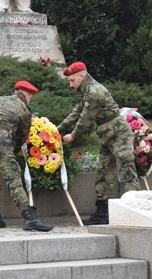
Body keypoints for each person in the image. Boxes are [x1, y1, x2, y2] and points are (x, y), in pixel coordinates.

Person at [57, 62, 139, 225]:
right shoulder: (85, 90)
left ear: (82, 76)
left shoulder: (94, 92)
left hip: (118, 134)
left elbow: (85, 119)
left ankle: (135, 212)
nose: (71, 85)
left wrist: (72, 136)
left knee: (126, 171)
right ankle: (102, 214)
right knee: (103, 173)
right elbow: (76, 112)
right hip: (107, 135)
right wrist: (57, 130)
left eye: (72, 80)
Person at [0, 81, 54, 232]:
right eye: (31, 96)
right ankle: (30, 218)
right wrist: (15, 150)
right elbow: (22, 136)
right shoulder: (24, 111)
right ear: (27, 94)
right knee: (14, 180)